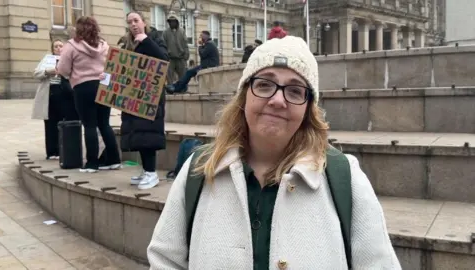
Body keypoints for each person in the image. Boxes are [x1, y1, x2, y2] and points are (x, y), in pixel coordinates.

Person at [146, 36, 401, 269]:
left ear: (308, 108)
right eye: (265, 84)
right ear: (244, 95)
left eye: (294, 90)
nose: (278, 100)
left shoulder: (346, 178)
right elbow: (164, 261)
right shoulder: (199, 169)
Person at [57, 16, 121, 173]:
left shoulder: (71, 46)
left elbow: (63, 70)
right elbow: (113, 66)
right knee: (104, 124)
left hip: (83, 87)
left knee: (90, 125)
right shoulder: (105, 46)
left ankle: (92, 163)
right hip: (103, 85)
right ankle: (114, 160)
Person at [119, 11, 169, 189]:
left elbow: (163, 60)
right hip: (133, 94)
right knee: (138, 133)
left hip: (150, 96)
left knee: (148, 133)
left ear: (144, 22)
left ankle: (151, 173)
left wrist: (146, 41)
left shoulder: (155, 38)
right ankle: (146, 170)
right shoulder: (127, 43)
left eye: (136, 20)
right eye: (129, 22)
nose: (133, 24)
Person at [32, 39, 78, 160]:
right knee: (50, 123)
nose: (58, 48)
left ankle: (63, 149)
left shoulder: (70, 59)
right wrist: (47, 71)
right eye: (56, 46)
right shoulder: (47, 59)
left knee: (64, 121)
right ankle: (52, 152)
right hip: (50, 94)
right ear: (52, 49)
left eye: (61, 46)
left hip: (66, 93)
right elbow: (36, 73)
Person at [163, 13, 189, 84]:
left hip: (181, 57)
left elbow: (185, 44)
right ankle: (170, 88)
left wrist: (186, 55)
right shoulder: (165, 33)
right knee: (169, 75)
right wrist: (165, 55)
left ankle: (182, 88)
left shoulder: (182, 31)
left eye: (174, 21)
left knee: (183, 75)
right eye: (170, 21)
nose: (172, 23)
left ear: (177, 22)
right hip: (170, 58)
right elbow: (163, 45)